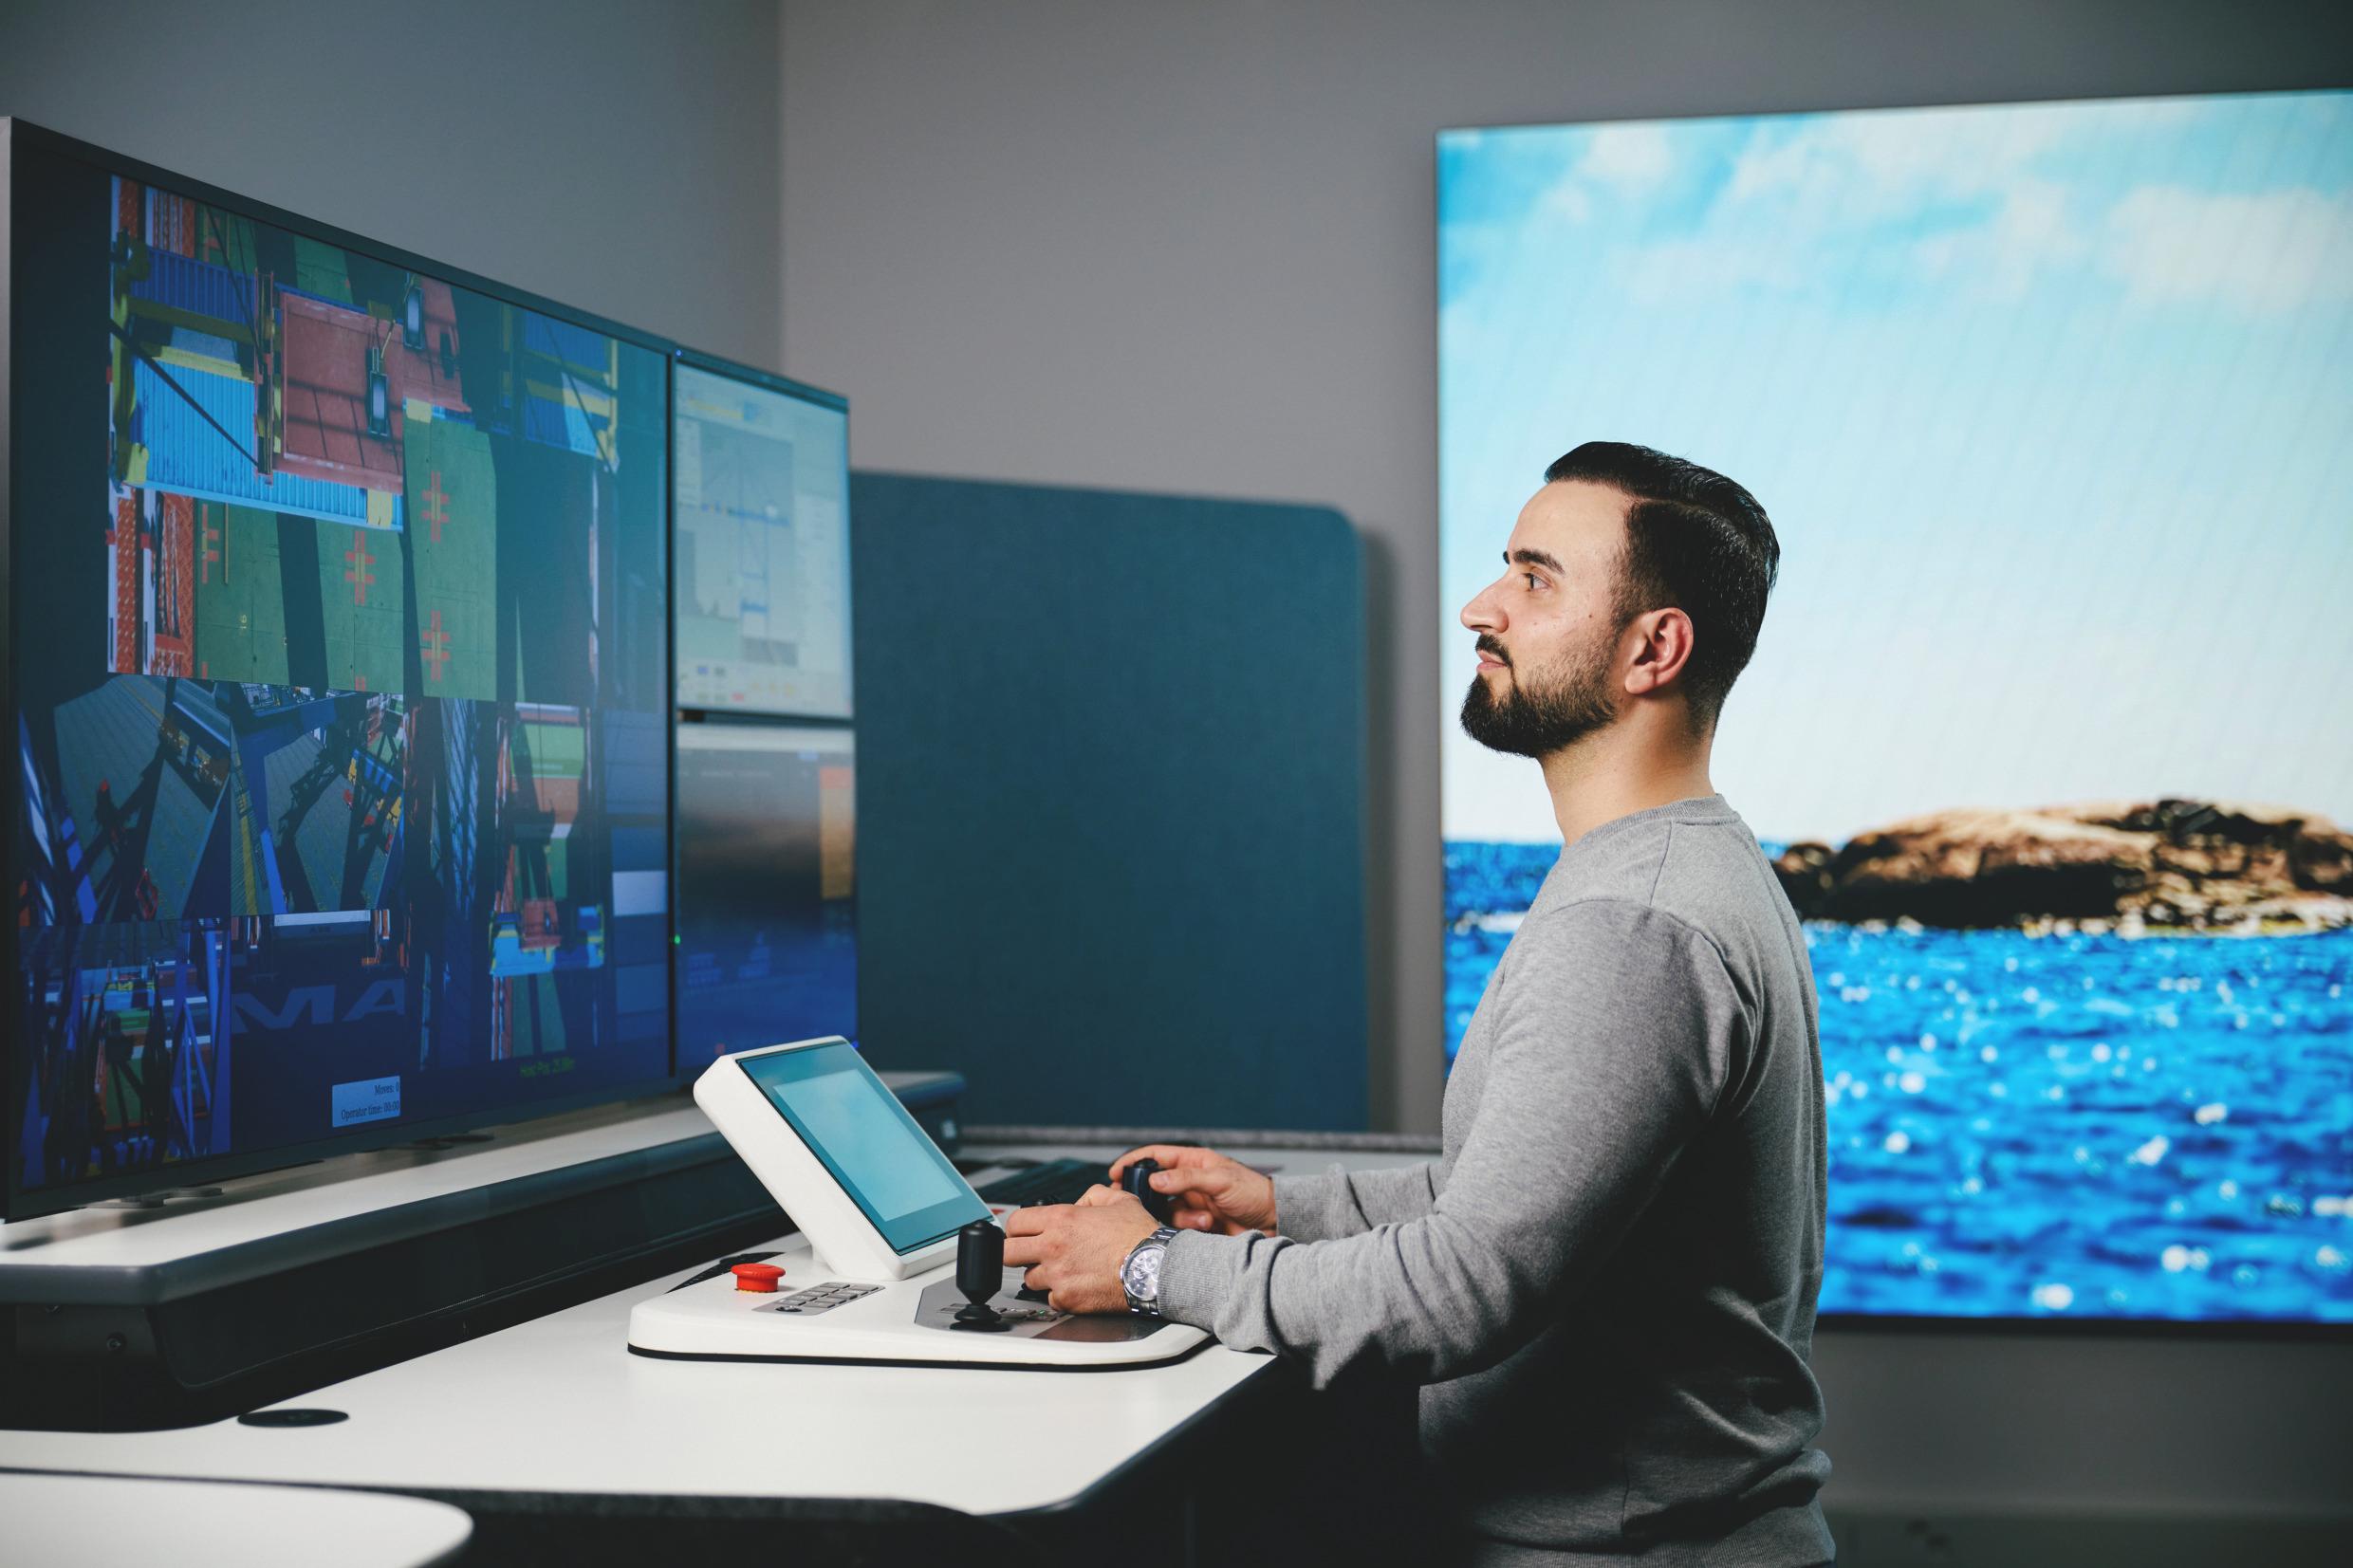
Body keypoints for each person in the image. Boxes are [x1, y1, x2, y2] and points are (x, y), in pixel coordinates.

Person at [1005, 442, 1833, 1565]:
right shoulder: (1683, 867)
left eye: (1535, 578)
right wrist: (1270, 1208)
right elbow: (1509, 1202)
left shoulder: (1631, 924)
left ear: (1653, 648)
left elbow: (1464, 1288)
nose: (1478, 607)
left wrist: (1151, 1269)